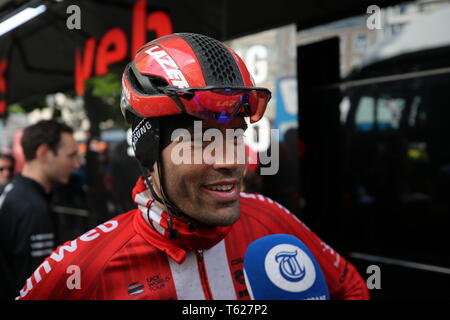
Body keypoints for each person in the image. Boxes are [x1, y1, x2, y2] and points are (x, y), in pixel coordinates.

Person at [16, 33, 369, 300]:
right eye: (203, 142)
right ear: (149, 153)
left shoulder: (270, 221)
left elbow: (352, 288)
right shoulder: (83, 268)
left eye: (235, 137)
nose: (231, 161)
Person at [0, 120, 80, 299]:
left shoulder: (12, 192)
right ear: (44, 153)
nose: (76, 165)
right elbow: (39, 286)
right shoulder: (33, 208)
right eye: (71, 155)